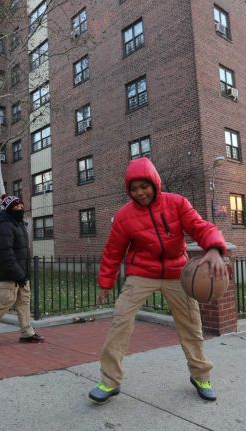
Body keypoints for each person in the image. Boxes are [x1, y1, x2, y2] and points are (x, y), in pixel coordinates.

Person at [89, 157, 227, 404]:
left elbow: (201, 227)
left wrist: (215, 248)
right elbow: (113, 251)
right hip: (141, 273)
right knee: (120, 320)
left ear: (154, 183)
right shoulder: (124, 215)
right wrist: (105, 283)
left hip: (177, 273)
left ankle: (201, 376)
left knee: (191, 326)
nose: (140, 193)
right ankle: (109, 381)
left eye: (144, 186)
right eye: (134, 189)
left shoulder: (177, 203)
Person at [0, 194, 45, 347]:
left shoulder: (19, 224)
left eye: (21, 206)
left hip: (22, 273)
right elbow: (5, 253)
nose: (20, 209)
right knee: (4, 302)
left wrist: (23, 274)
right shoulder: (5, 225)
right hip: (10, 274)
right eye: (16, 207)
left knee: (24, 302)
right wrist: (18, 274)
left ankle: (27, 333)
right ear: (8, 209)